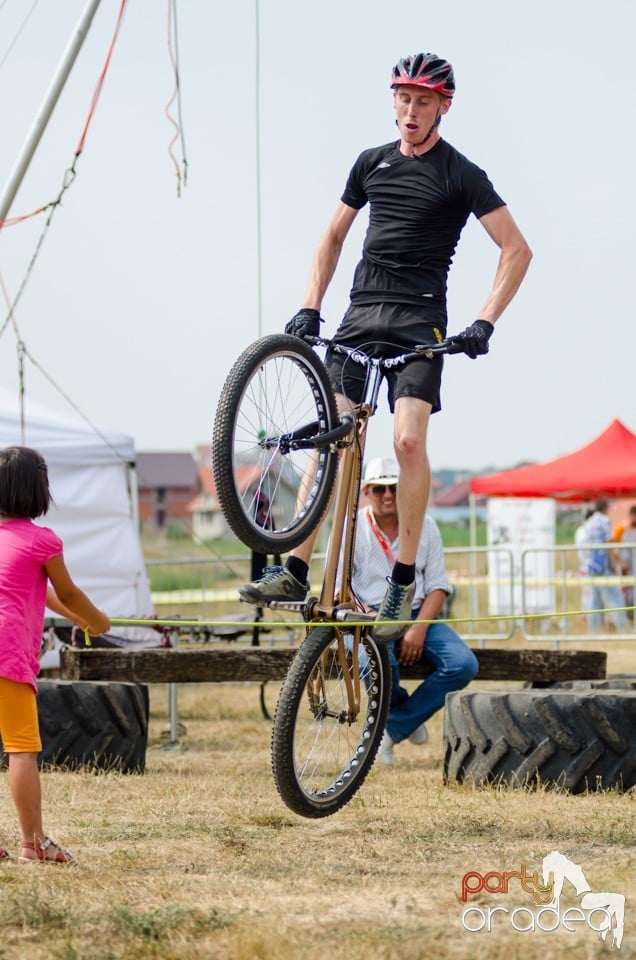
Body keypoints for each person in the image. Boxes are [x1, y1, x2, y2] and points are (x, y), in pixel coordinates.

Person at [240, 51, 532, 641]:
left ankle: (402, 575)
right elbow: (332, 235)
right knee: (331, 446)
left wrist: (484, 322)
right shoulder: (370, 164)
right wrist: (309, 305)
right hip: (357, 318)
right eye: (403, 97)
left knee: (407, 440)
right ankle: (295, 568)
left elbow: (517, 249)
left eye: (424, 100)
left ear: (443, 107)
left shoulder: (461, 173)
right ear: (393, 101)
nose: (411, 109)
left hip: (420, 322)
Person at [0, 446, 111, 864]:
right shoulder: (42, 541)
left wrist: (80, 620)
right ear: (38, 490)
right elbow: (66, 591)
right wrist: (97, 620)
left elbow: (42, 594)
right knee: (21, 749)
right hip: (8, 658)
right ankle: (34, 845)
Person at [350, 457, 478, 765]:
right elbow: (339, 586)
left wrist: (418, 628)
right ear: (367, 492)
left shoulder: (426, 524)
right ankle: (404, 720)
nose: (388, 495)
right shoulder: (350, 528)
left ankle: (392, 727)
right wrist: (365, 615)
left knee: (463, 664)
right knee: (376, 659)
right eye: (379, 489)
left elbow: (437, 585)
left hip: (417, 612)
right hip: (366, 617)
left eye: (394, 487)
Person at [577, 500, 627, 632]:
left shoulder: (589, 522)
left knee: (594, 600)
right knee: (615, 598)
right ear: (605, 508)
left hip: (591, 566)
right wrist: (617, 562)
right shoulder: (604, 521)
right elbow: (608, 544)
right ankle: (623, 628)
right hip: (602, 566)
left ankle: (593, 630)